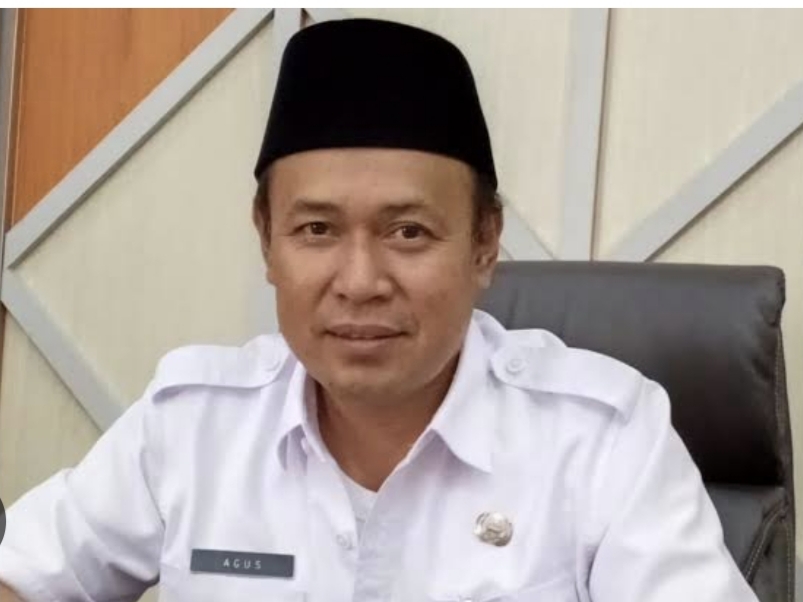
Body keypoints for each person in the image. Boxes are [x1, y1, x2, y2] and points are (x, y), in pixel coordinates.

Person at [0, 17, 757, 602]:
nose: (359, 281)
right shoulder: (192, 423)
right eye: (316, 230)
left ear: (484, 243)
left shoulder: (603, 438)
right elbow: (25, 575)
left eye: (408, 232)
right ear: (266, 240)